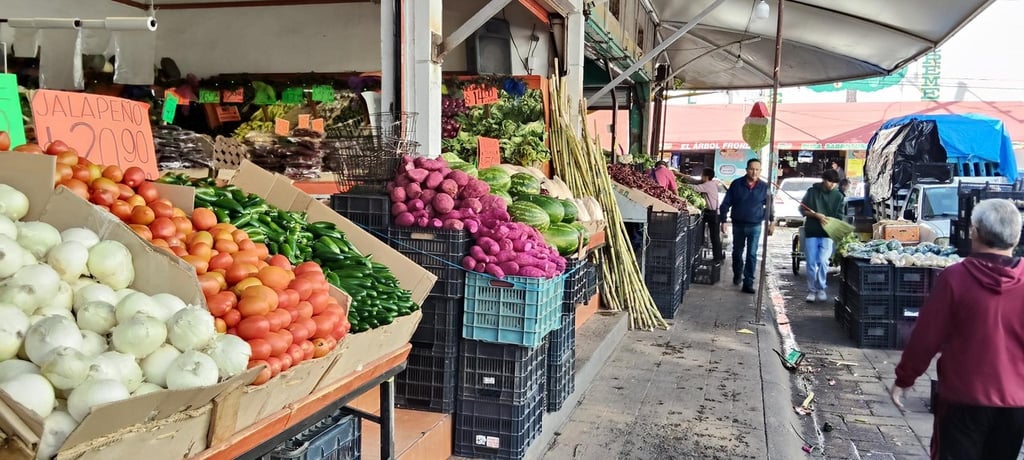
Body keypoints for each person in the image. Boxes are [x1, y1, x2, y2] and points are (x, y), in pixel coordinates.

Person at [890, 198, 1024, 460]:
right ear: (1016, 237)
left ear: (974, 232)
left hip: (963, 397)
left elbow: (927, 337)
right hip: (1016, 403)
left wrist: (905, 378)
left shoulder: (955, 278)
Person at [719, 159, 774, 293]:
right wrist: (723, 220)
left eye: (757, 169)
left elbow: (769, 206)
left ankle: (748, 282)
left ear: (760, 171)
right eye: (751, 169)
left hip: (755, 225)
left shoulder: (764, 187)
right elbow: (726, 203)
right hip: (738, 225)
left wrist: (772, 221)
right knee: (737, 252)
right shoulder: (736, 184)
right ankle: (738, 273)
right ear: (746, 169)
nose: (754, 172)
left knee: (752, 254)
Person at [800, 169, 845, 303]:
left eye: (834, 182)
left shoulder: (839, 196)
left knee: (823, 261)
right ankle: (812, 290)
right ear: (823, 180)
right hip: (812, 232)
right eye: (829, 181)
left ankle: (821, 288)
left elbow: (839, 217)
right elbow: (803, 210)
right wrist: (816, 215)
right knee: (811, 262)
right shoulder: (812, 192)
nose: (831, 184)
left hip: (827, 234)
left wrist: (830, 222)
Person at [679, 168, 724, 260]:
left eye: (702, 175)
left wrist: (679, 184)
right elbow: (695, 181)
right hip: (710, 212)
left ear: (706, 176)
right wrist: (680, 175)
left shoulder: (708, 185)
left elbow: (694, 187)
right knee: (712, 235)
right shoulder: (709, 183)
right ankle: (715, 254)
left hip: (714, 213)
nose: (701, 177)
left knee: (714, 236)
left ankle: (717, 257)